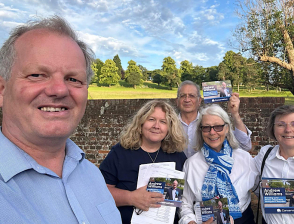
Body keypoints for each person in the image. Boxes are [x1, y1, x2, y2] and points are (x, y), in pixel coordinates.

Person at [0, 16, 121, 223]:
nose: (59, 90)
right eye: (37, 75)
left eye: (73, 79)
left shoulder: (92, 174)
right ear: (2, 90)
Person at [99, 100, 187, 224]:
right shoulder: (120, 153)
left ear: (169, 127)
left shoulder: (177, 155)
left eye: (163, 122)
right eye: (151, 119)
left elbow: (187, 197)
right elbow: (100, 192)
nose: (156, 125)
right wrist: (130, 198)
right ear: (141, 123)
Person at [179, 104, 258, 224]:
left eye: (218, 127)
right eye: (206, 127)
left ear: (227, 128)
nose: (212, 132)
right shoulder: (191, 164)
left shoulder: (244, 158)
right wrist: (190, 221)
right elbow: (185, 203)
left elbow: (261, 190)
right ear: (201, 131)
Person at [176, 80, 252, 158]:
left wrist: (235, 113)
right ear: (177, 101)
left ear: (199, 100)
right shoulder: (169, 124)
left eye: (192, 96)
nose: (187, 100)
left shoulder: (209, 122)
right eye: (182, 96)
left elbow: (245, 145)